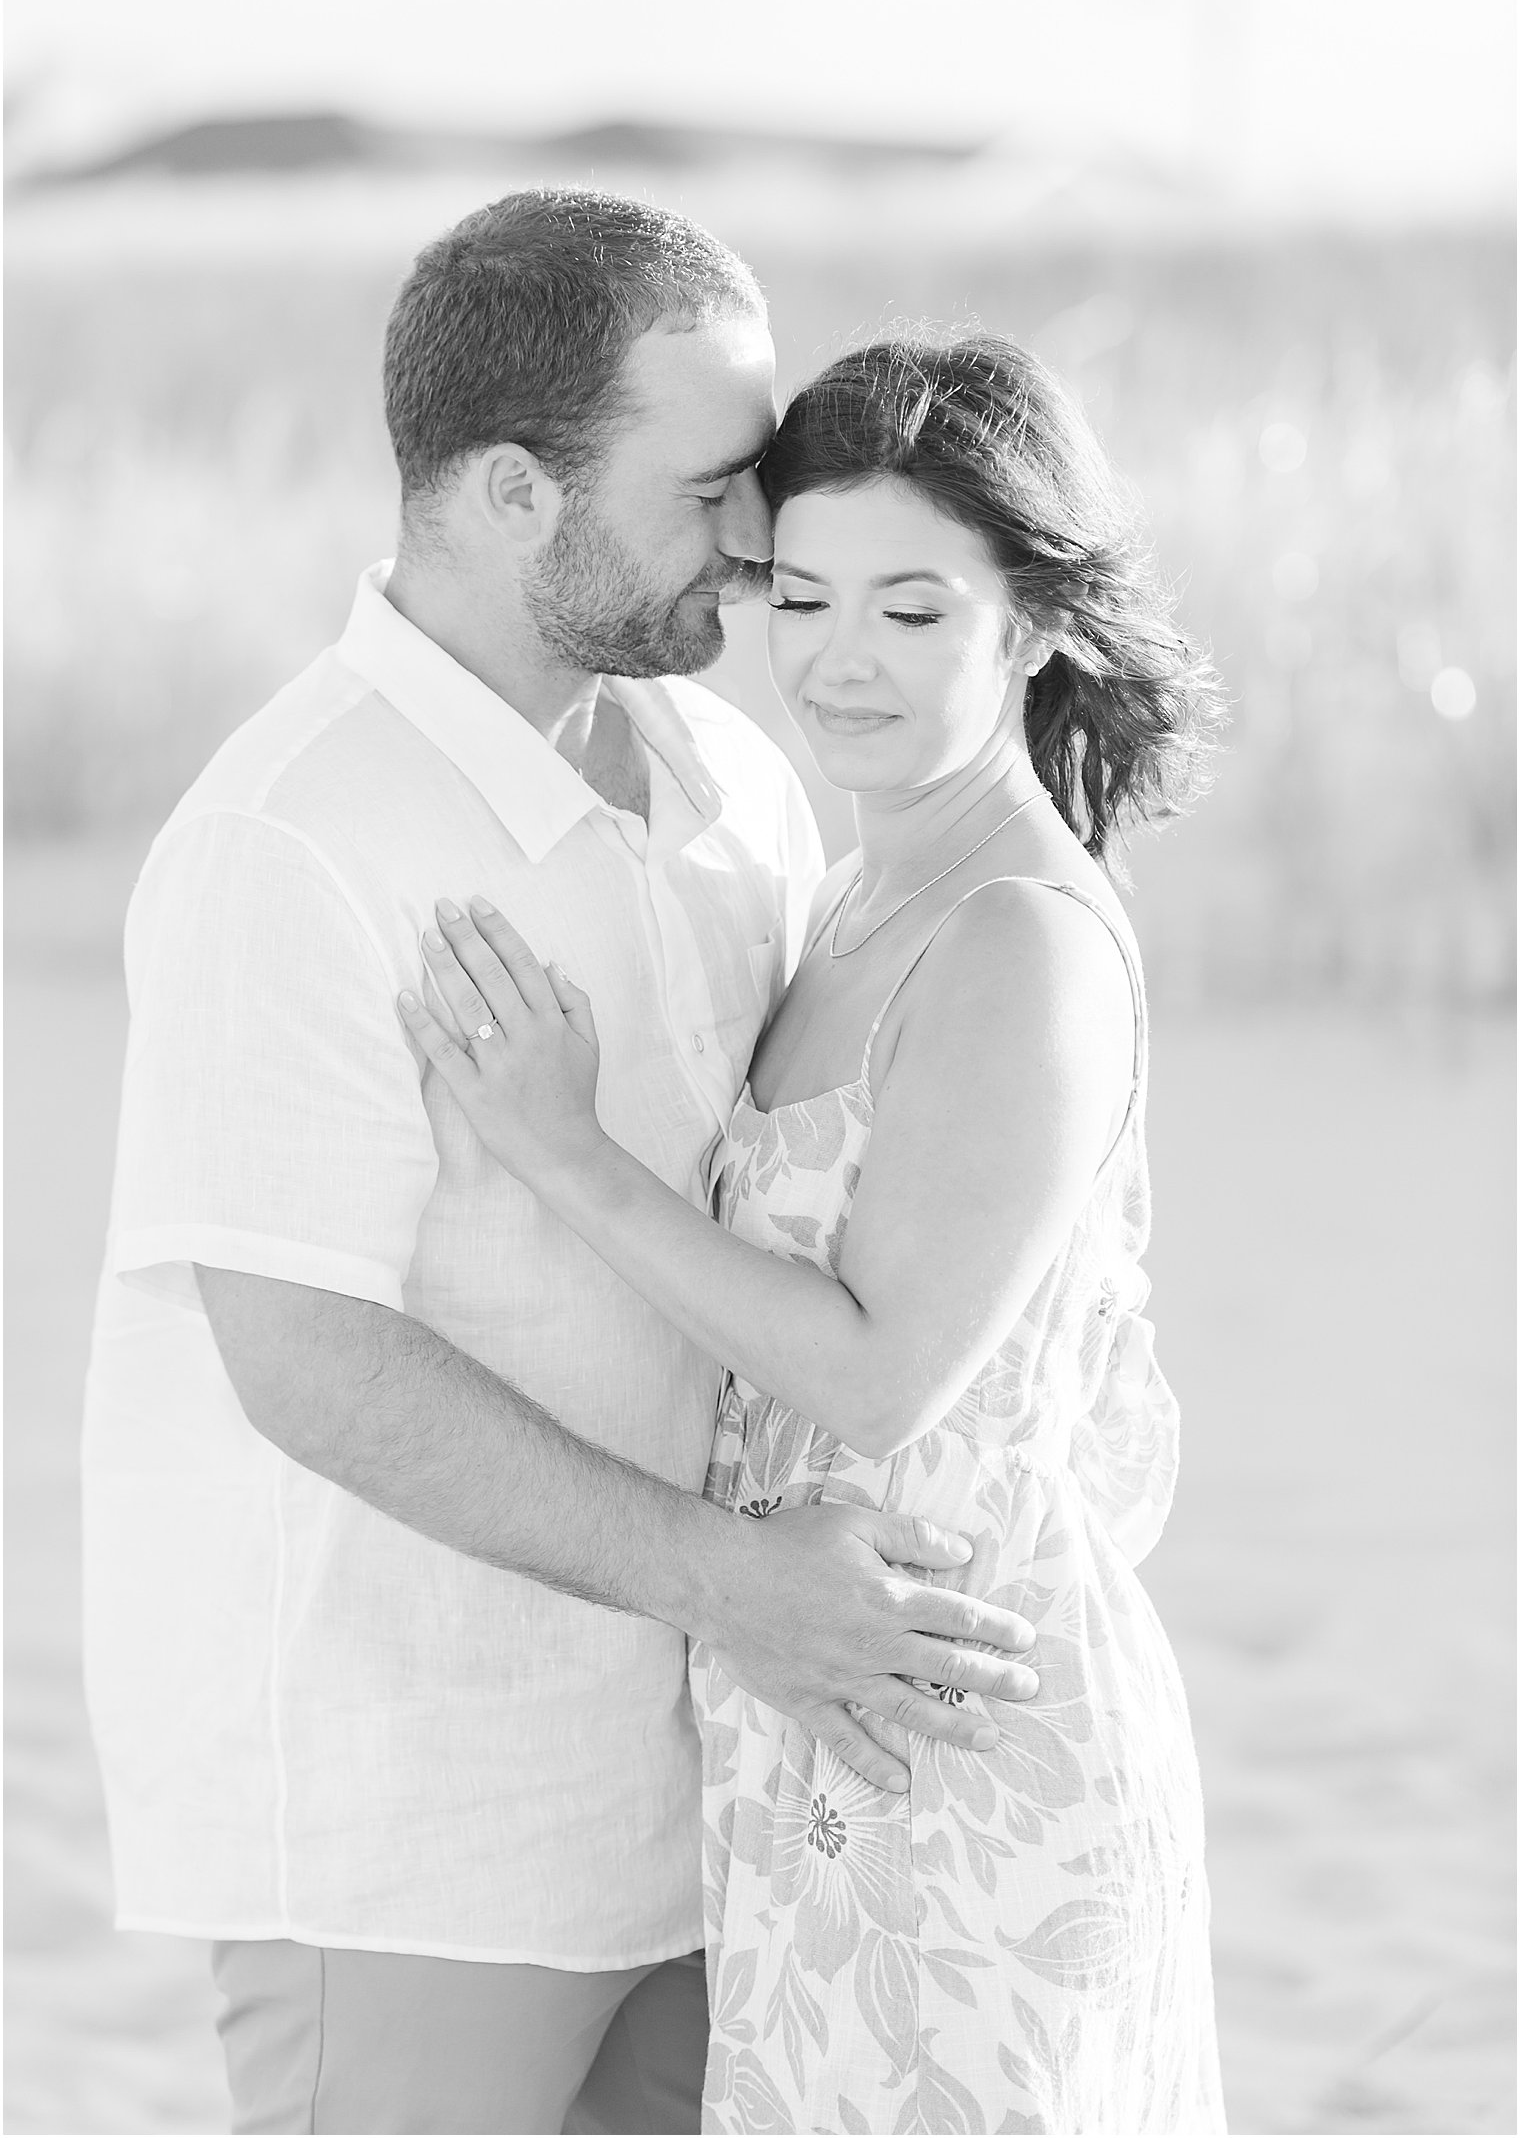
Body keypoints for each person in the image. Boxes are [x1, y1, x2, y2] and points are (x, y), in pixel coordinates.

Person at [80, 199, 1045, 2138]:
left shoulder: (736, 785)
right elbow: (306, 1360)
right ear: (515, 493)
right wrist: (742, 1585)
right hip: (406, 1825)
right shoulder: (296, 833)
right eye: (708, 488)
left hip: (701, 1796)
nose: (763, 539)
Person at [400, 334, 1230, 2133]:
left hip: (969, 1752)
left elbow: (878, 1374)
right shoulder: (860, 889)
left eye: (914, 611)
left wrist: (566, 1152)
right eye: (805, 593)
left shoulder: (1017, 942)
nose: (841, 660)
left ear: (1030, 626)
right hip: (820, 1743)